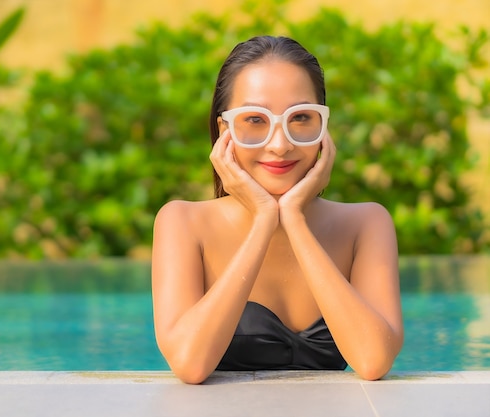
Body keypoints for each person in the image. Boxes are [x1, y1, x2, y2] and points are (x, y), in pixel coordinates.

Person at [151, 35, 403, 384]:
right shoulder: (181, 222)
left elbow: (373, 360)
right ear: (225, 130)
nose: (280, 144)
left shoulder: (367, 223)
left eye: (301, 117)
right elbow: (190, 364)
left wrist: (295, 221)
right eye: (255, 120)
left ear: (323, 128)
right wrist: (263, 220)